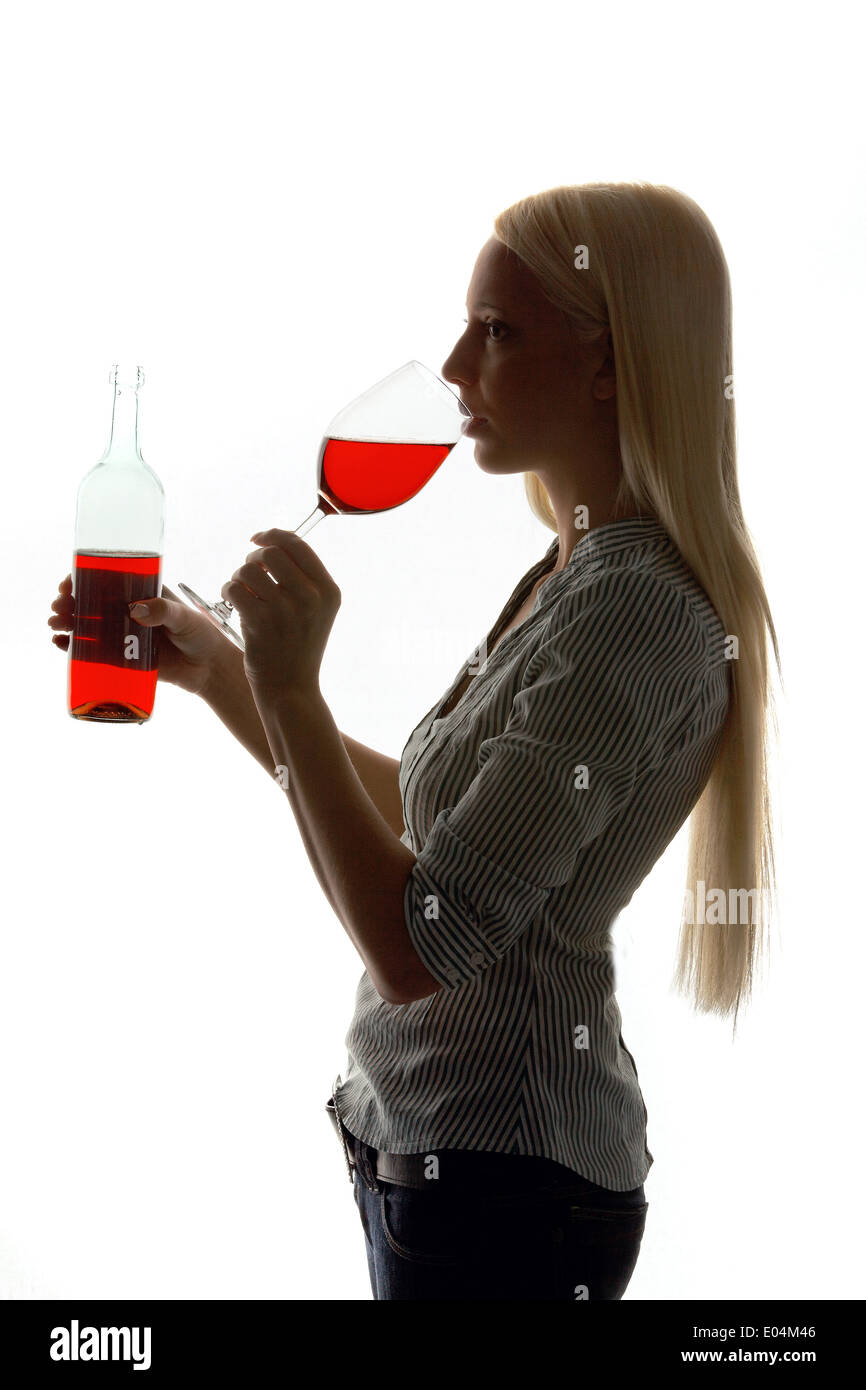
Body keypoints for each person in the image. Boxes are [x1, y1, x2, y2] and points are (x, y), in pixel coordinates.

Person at [49, 182, 780, 1301]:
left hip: (507, 1201)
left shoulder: (632, 612)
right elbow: (432, 827)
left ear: (607, 364)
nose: (450, 369)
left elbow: (417, 946)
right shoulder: (574, 575)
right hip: (440, 1175)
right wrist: (222, 671)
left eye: (495, 333)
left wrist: (292, 688)